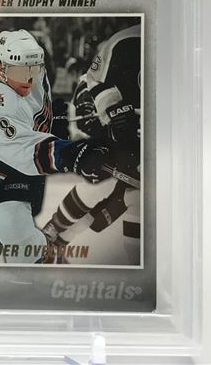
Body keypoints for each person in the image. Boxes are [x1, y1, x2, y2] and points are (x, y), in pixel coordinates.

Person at [0, 29, 126, 263]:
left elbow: (29, 106)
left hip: (4, 147)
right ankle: (42, 262)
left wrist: (50, 120)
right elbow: (24, 151)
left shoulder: (13, 67)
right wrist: (72, 155)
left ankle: (41, 261)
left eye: (34, 68)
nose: (29, 78)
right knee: (7, 230)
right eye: (21, 71)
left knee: (14, 225)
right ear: (1, 68)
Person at [42, 23, 142, 264]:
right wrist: (104, 111)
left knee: (134, 196)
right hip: (107, 116)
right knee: (106, 177)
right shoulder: (125, 42)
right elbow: (93, 81)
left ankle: (59, 240)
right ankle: (52, 234)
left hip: (140, 129)